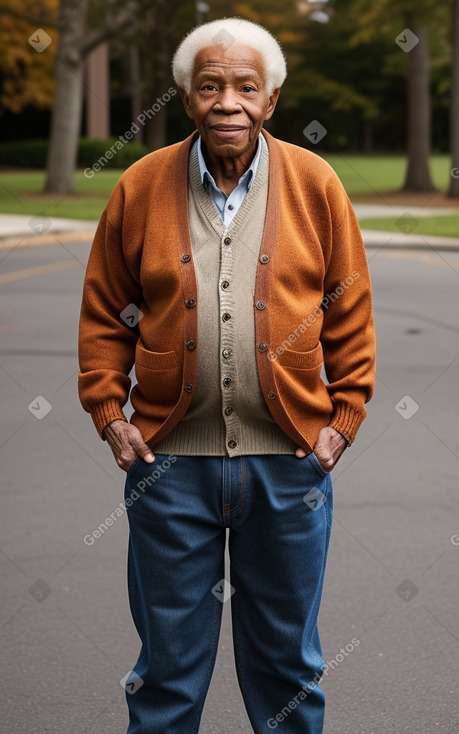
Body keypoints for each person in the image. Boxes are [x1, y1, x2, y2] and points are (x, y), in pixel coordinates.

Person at [78, 16, 376, 734]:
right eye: (209, 85)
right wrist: (110, 414)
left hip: (289, 463)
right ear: (186, 96)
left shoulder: (315, 184)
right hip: (167, 464)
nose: (227, 102)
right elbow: (105, 315)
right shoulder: (141, 185)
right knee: (166, 669)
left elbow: (349, 314)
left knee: (288, 670)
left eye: (246, 86)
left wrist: (341, 424)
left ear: (271, 99)